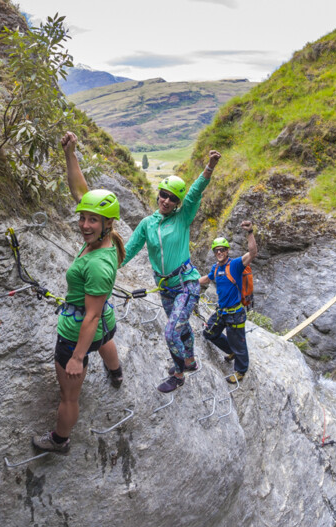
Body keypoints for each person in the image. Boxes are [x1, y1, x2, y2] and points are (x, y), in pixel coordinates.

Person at [32, 132, 125, 453]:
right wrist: (71, 153)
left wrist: (76, 357)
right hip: (103, 324)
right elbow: (81, 191)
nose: (84, 224)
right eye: (82, 218)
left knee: (69, 395)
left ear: (107, 223)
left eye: (91, 220)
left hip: (77, 332)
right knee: (106, 339)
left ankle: (59, 440)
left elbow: (92, 315)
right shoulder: (105, 237)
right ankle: (116, 373)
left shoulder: (98, 263)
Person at [121, 149, 221, 392]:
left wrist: (209, 167)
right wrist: (105, 265)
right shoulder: (147, 224)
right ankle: (191, 361)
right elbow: (129, 250)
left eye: (172, 198)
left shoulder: (183, 217)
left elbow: (196, 191)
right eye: (163, 195)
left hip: (187, 283)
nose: (166, 201)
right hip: (166, 288)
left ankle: (179, 374)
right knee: (182, 326)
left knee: (170, 331)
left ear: (178, 203)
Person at [198, 220, 257, 383]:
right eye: (216, 250)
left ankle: (241, 370)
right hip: (222, 312)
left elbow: (252, 253)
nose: (219, 252)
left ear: (227, 250)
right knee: (209, 333)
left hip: (235, 314)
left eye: (222, 250)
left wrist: (250, 232)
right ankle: (230, 350)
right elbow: (207, 279)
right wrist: (192, 282)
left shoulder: (236, 264)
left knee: (239, 343)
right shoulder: (215, 268)